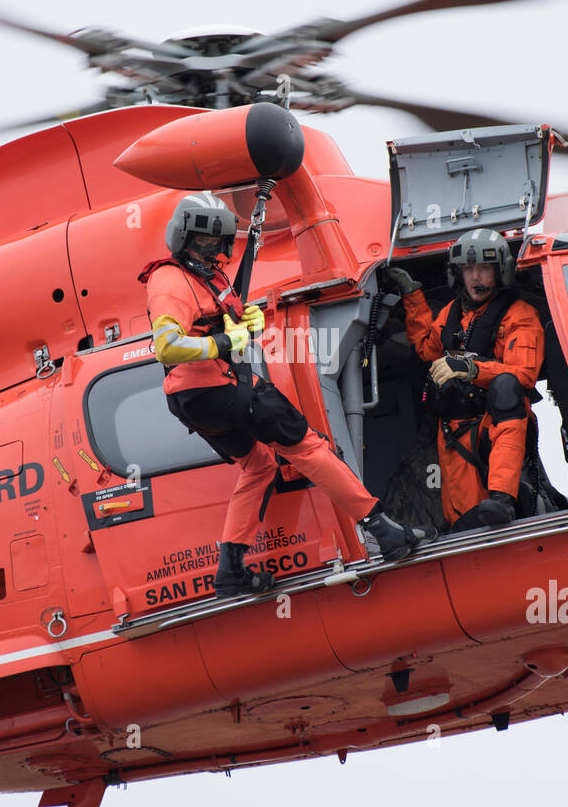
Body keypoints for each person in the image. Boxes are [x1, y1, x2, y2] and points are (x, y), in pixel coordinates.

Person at [142, 192, 427, 597]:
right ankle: (384, 529)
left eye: (219, 243)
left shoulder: (205, 278)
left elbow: (225, 323)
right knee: (307, 445)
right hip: (214, 388)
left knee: (259, 464)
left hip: (196, 399)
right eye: (206, 243)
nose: (215, 252)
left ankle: (231, 571)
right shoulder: (169, 280)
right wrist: (225, 342)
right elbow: (167, 346)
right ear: (183, 239)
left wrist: (245, 320)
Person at [386, 228, 545, 531]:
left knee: (507, 388)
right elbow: (426, 348)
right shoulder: (451, 313)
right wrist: (412, 295)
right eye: (469, 269)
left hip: (494, 424)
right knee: (467, 524)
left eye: (484, 269)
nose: (476, 278)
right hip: (453, 432)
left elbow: (523, 375)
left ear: (500, 272)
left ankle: (503, 498)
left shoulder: (520, 316)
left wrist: (471, 368)